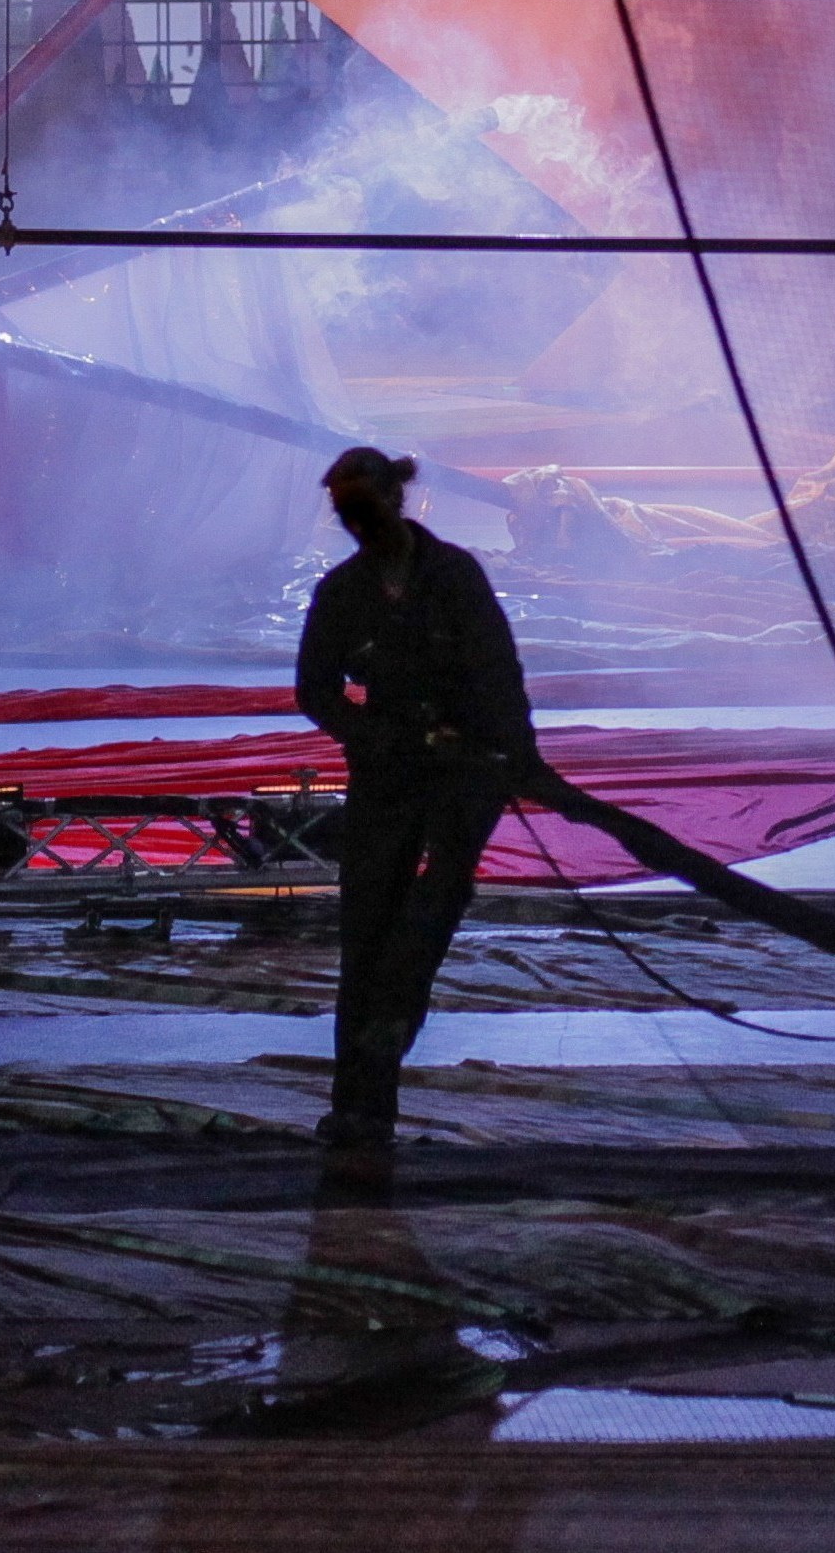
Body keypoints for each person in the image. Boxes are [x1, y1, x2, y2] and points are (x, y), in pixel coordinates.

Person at [293, 445, 535, 1160]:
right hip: (388, 772)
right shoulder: (343, 593)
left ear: (394, 501)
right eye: (346, 514)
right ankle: (360, 1105)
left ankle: (387, 1039)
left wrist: (517, 756)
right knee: (367, 932)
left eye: (362, 509)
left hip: (464, 769)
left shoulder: (455, 575)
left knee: (429, 914)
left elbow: (499, 670)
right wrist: (373, 736)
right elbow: (314, 689)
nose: (355, 524)